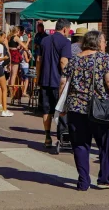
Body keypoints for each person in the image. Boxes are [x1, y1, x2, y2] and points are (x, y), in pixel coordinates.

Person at [60, 31, 109, 191]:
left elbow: (63, 82)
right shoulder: (104, 58)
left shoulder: (74, 60)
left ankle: (83, 181)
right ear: (98, 43)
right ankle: (105, 179)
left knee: (80, 145)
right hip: (101, 108)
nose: (105, 44)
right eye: (104, 41)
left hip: (75, 108)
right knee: (107, 144)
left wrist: (62, 105)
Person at [37, 18, 72, 147]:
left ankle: (47, 137)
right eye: (68, 30)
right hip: (59, 81)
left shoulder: (44, 40)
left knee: (47, 110)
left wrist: (38, 77)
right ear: (64, 29)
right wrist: (69, 76)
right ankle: (62, 137)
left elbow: (38, 60)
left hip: (45, 80)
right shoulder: (65, 42)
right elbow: (63, 61)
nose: (68, 33)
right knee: (61, 108)